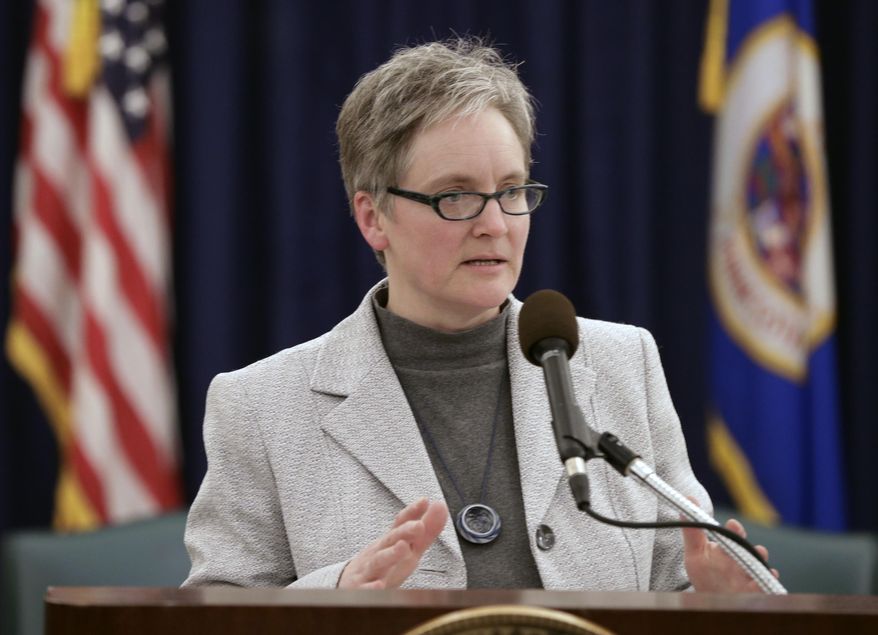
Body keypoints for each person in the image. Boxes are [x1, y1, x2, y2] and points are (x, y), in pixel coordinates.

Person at [183, 38, 775, 592]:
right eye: (457, 196)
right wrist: (331, 595)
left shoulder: (623, 364)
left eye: (512, 190)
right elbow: (212, 612)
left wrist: (717, 605)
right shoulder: (260, 406)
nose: (495, 223)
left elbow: (679, 576)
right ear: (373, 218)